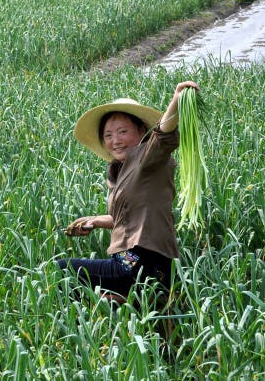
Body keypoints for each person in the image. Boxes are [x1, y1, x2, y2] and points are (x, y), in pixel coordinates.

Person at [59, 81, 200, 300]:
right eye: (108, 135)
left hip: (139, 259)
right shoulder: (124, 171)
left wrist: (176, 100)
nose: (115, 140)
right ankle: (117, 303)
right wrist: (95, 221)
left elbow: (163, 135)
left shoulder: (148, 157)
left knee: (61, 270)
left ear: (142, 131)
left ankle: (114, 301)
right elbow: (127, 219)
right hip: (149, 263)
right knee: (107, 299)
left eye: (122, 132)